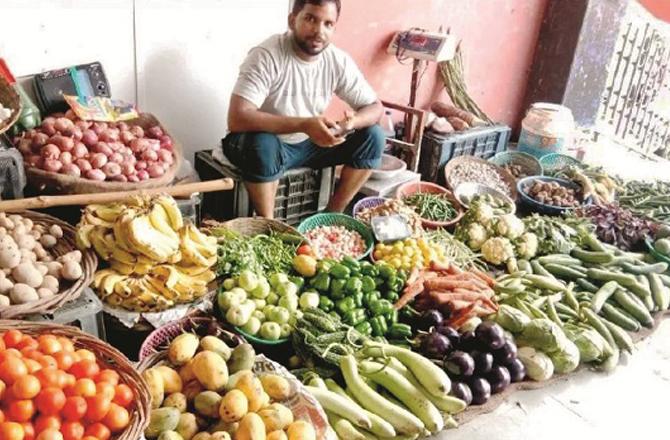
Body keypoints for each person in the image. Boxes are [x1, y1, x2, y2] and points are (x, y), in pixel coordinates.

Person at [223, 0, 385, 218]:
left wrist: (351, 123)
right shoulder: (267, 54)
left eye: (328, 24)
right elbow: (237, 117)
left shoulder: (337, 60)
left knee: (373, 136)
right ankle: (270, 227)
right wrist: (303, 124)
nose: (319, 31)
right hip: (269, 147)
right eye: (311, 19)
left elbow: (375, 108)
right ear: (292, 21)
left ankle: (331, 217)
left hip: (309, 145)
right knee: (262, 144)